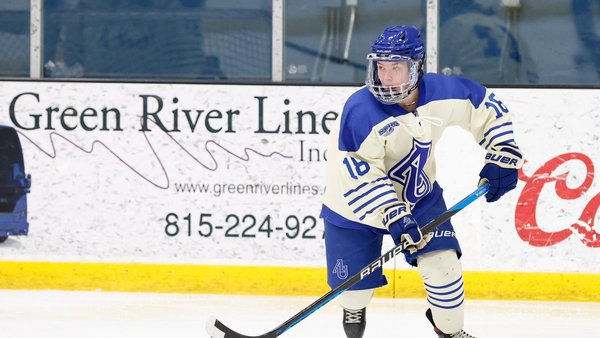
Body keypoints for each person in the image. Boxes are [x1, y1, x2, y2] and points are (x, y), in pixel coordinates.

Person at [320, 25, 523, 338]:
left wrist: (504, 153)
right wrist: (392, 213)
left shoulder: (443, 92)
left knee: (444, 267)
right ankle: (354, 304)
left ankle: (450, 331)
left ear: (417, 66)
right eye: (381, 68)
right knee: (354, 292)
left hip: (419, 196)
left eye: (396, 68)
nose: (385, 78)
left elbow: (487, 107)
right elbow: (357, 171)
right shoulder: (359, 110)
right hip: (355, 208)